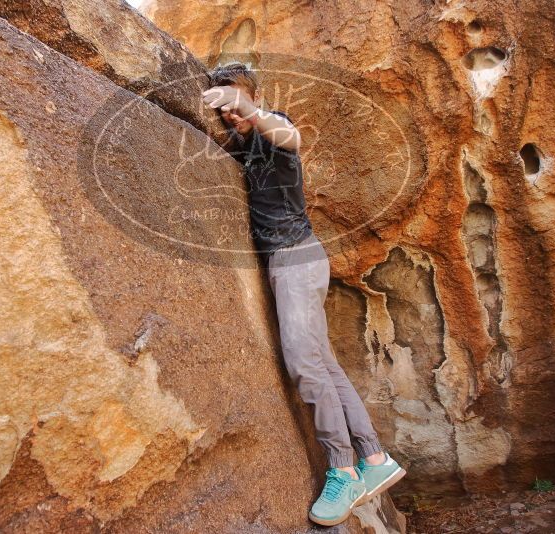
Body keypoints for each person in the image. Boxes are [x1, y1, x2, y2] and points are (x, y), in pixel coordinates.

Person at [202, 62, 406, 526]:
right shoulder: (244, 143)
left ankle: (342, 469)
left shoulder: (275, 127)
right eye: (225, 105)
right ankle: (375, 461)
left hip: (297, 256)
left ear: (252, 94)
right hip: (293, 261)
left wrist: (247, 107)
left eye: (237, 99)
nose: (232, 113)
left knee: (301, 360)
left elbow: (290, 139)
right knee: (323, 364)